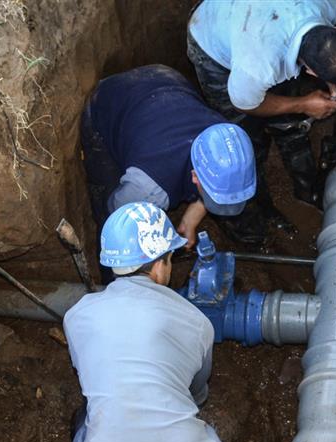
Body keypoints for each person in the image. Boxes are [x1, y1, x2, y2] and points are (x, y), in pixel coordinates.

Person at [63, 202, 252, 442]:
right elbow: (198, 391)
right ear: (158, 265)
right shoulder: (196, 322)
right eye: (168, 259)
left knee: (81, 416)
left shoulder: (76, 315)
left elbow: (90, 372)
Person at [187, 0, 336, 241]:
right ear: (311, 71)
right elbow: (244, 104)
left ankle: (308, 191)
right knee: (245, 142)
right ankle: (259, 215)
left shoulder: (326, 5)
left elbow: (327, 52)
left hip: (261, 20)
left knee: (290, 123)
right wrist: (304, 104)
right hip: (212, 39)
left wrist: (332, 76)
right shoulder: (257, 65)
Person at [81, 65, 256, 283]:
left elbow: (219, 183)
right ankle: (113, 285)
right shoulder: (148, 190)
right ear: (195, 177)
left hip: (166, 80)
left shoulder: (227, 144)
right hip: (109, 103)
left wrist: (190, 219)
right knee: (109, 210)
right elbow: (119, 219)